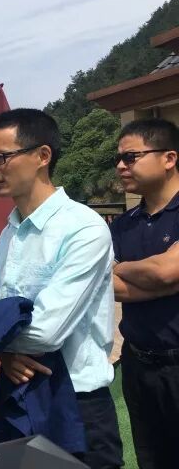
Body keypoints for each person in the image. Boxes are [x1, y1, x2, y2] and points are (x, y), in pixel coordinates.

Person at [0, 108, 122, 468]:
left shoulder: (83, 228)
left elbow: (46, 332)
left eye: (1, 157)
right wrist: (1, 349)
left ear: (42, 156)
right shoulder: (10, 231)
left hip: (75, 399)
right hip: (18, 385)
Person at [110, 118, 179, 469]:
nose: (121, 166)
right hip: (138, 364)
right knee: (151, 458)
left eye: (131, 156)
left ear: (169, 158)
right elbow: (106, 285)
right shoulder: (124, 224)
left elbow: (167, 271)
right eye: (118, 159)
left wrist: (119, 267)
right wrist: (162, 280)